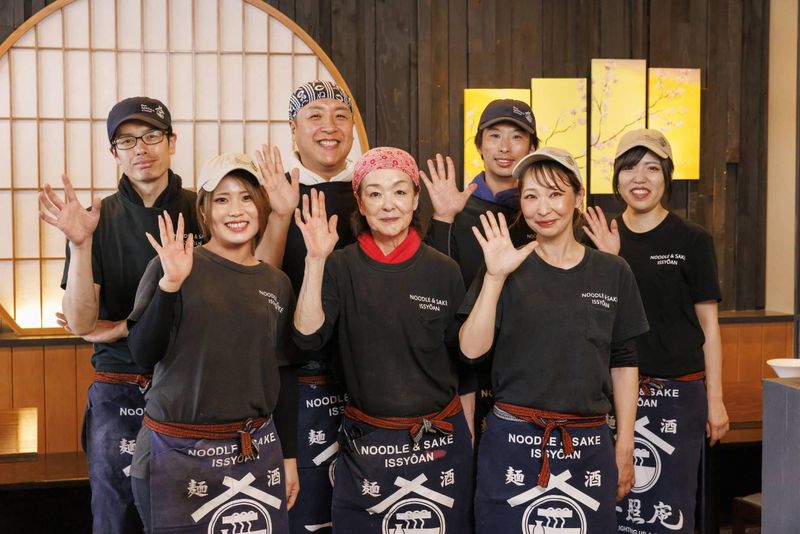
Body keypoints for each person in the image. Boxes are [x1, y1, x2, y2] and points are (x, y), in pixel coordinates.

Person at [459, 147, 649, 533]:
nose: (543, 208)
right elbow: (470, 351)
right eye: (531, 196)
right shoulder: (505, 264)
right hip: (512, 440)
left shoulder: (613, 271)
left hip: (588, 442)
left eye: (555, 194)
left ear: (578, 197)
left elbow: (624, 360)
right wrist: (494, 278)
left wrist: (625, 442)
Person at [38, 97, 200, 534]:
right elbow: (81, 323)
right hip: (119, 385)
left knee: (188, 512)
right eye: (126, 141)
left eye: (151, 136)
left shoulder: (202, 208)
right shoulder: (98, 217)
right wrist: (80, 245)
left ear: (172, 142)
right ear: (114, 153)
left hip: (189, 383)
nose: (140, 148)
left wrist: (126, 326)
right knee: (117, 513)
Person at [292, 147, 474, 533]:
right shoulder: (339, 265)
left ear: (417, 198)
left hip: (438, 439)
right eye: (375, 193)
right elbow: (307, 337)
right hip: (368, 441)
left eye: (400, 191)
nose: (388, 204)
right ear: (360, 203)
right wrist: (315, 259)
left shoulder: (444, 270)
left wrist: (469, 437)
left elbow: (464, 363)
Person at [126, 153, 299, 533]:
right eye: (222, 199)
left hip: (253, 451)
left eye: (247, 197)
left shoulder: (276, 283)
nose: (235, 210)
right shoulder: (174, 265)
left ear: (262, 206)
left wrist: (289, 456)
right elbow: (142, 354)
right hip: (174, 452)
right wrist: (170, 284)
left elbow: (284, 373)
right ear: (204, 211)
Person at [583, 129, 729, 533]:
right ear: (616, 177)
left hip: (678, 394)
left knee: (670, 505)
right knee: (614, 503)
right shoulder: (600, 237)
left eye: (651, 168)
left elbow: (709, 326)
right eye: (629, 168)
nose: (640, 178)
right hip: (615, 392)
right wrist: (609, 261)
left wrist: (715, 399)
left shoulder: (692, 240)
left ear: (667, 176)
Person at [254, 80, 358, 534]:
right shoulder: (268, 192)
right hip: (291, 377)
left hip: (363, 379)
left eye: (340, 115)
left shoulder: (373, 190)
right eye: (314, 116)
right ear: (293, 129)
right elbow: (255, 282)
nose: (329, 126)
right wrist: (280, 213)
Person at [422, 98, 538, 437]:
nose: (505, 147)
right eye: (494, 136)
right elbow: (435, 290)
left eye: (517, 137)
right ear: (479, 145)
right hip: (465, 368)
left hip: (526, 370)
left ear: (532, 148)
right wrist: (443, 218)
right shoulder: (457, 207)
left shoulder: (542, 213)